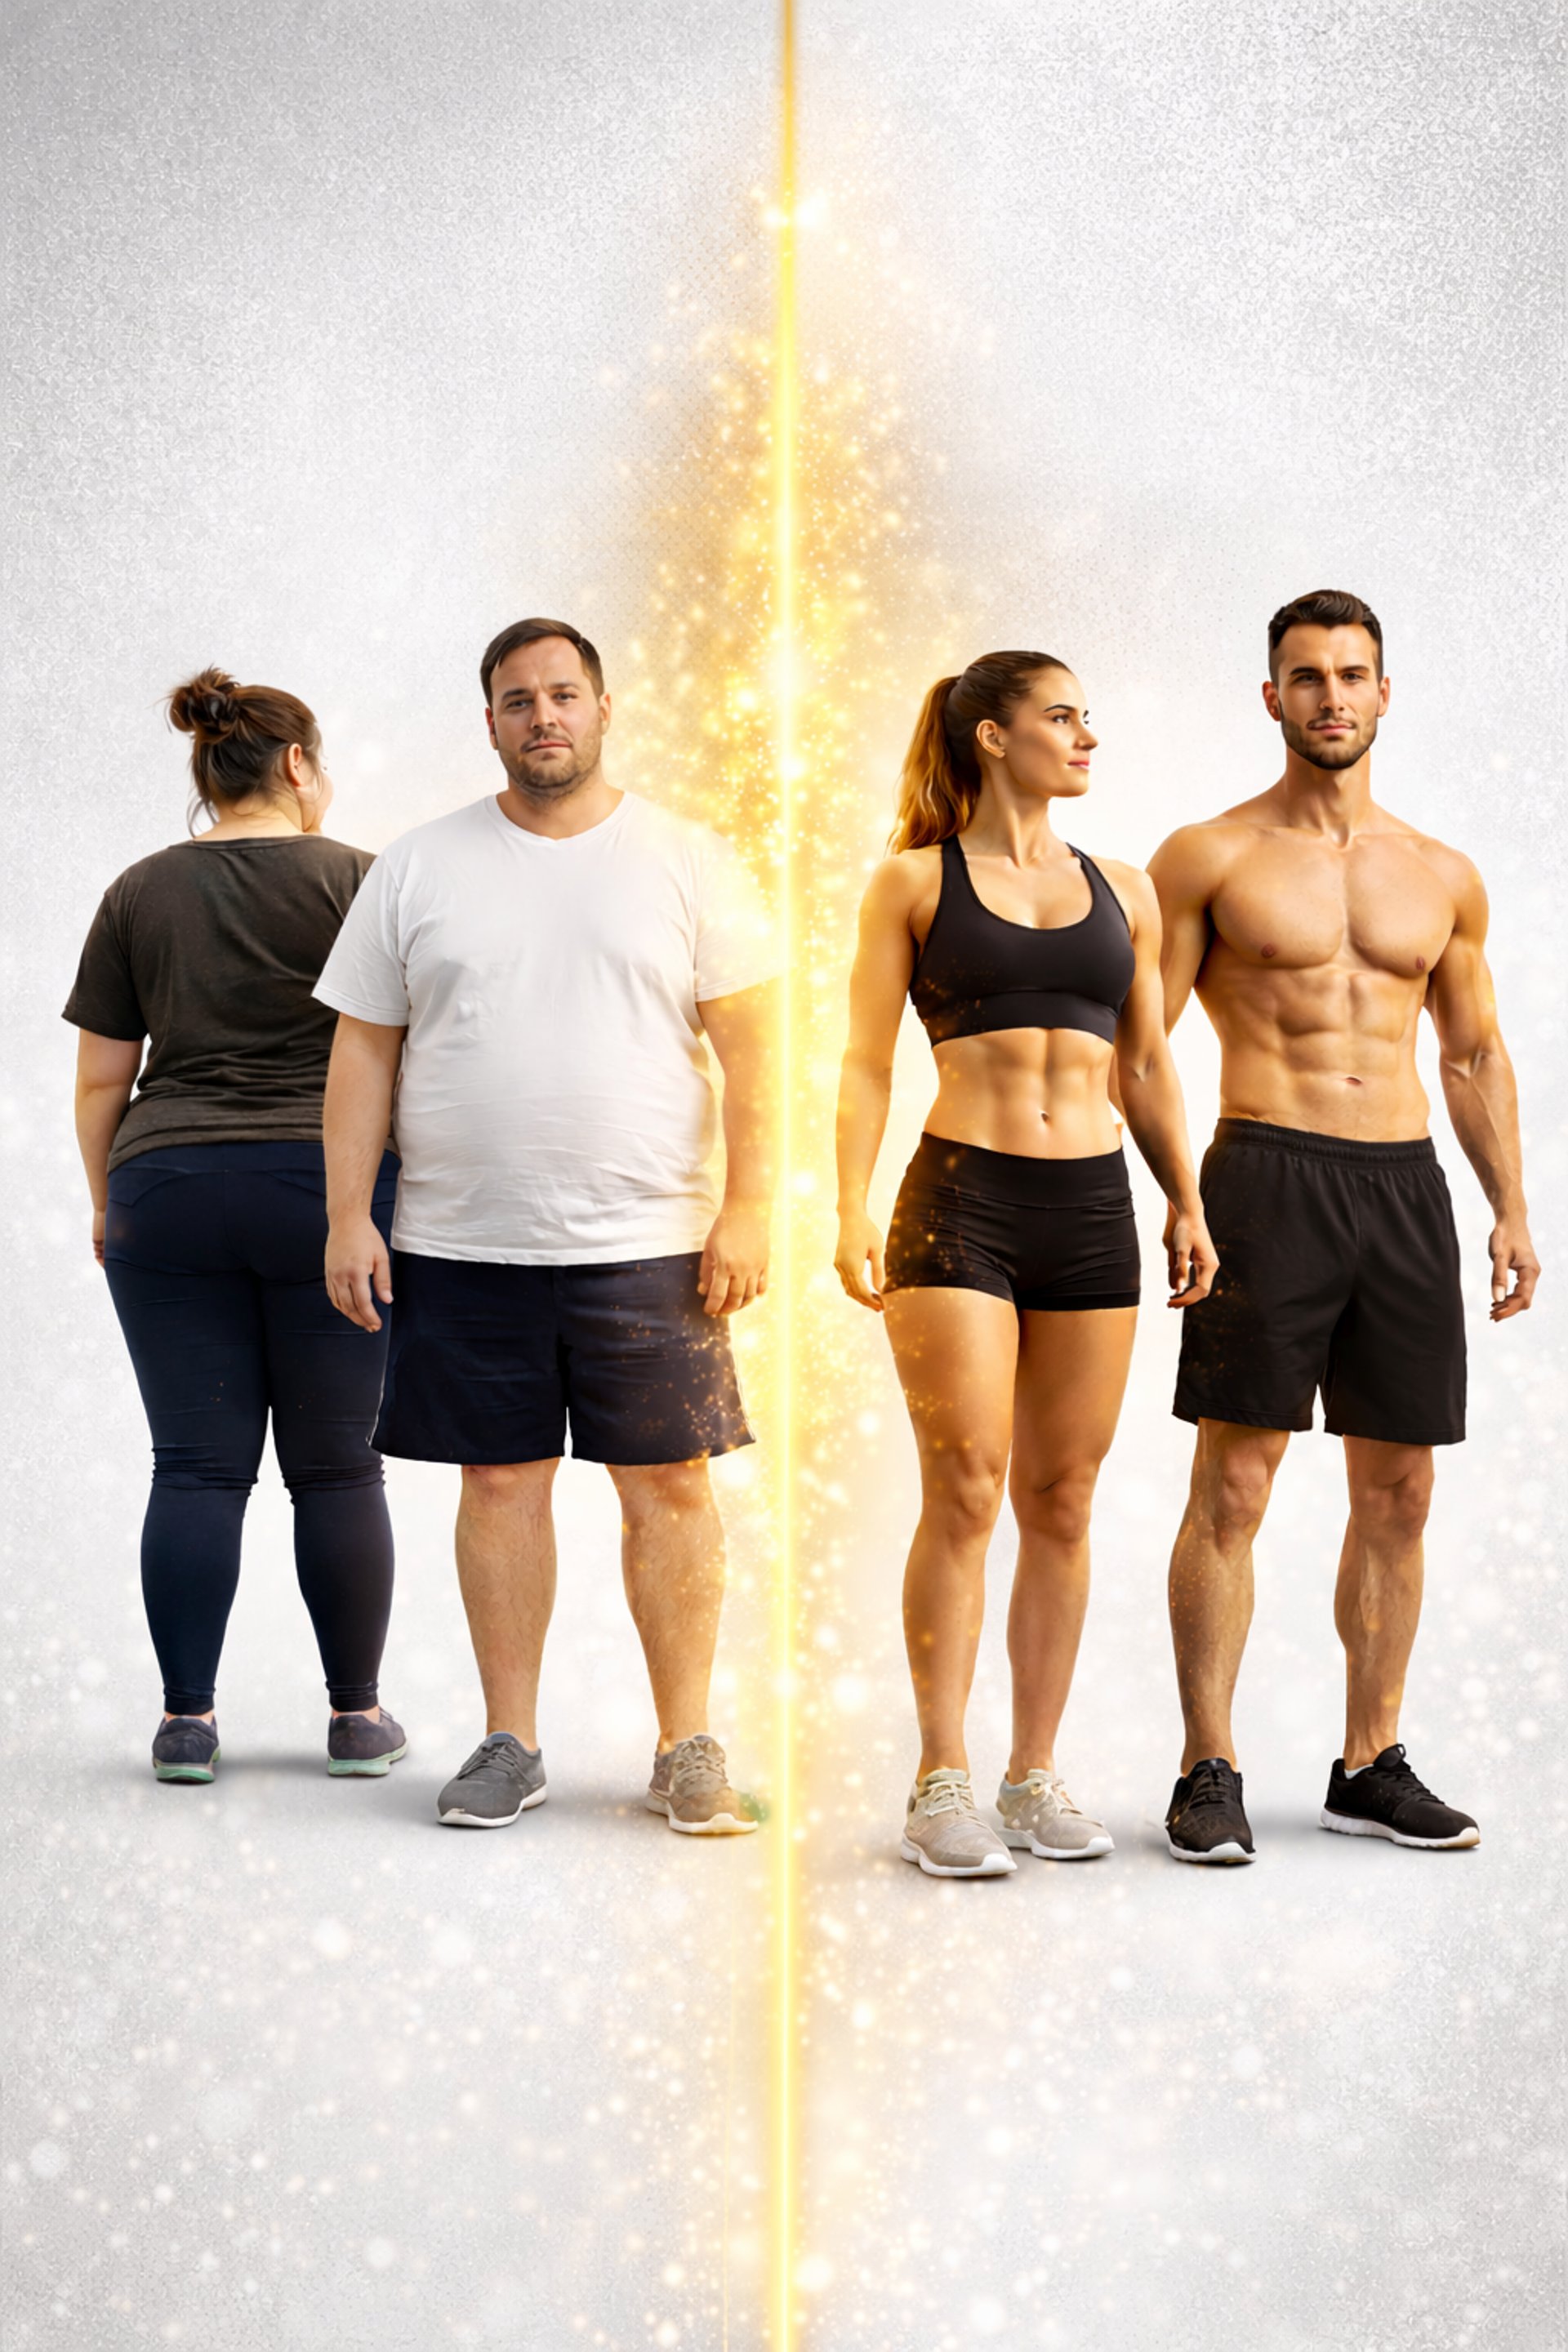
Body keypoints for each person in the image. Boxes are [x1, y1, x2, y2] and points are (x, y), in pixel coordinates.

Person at [315, 617, 776, 1833]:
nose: (543, 718)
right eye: (518, 701)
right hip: (463, 1242)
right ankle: (509, 1740)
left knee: (670, 1485)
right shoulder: (416, 867)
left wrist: (753, 1205)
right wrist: (346, 1218)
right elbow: (363, 1051)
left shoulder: (685, 857)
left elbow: (753, 1046)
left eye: (563, 695)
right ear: (490, 724)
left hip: (654, 1243)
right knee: (500, 1482)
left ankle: (687, 1744)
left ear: (605, 707)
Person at [1149, 589, 1539, 1863]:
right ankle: (1210, 1767)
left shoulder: (1442, 874)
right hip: (1264, 1174)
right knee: (1237, 1484)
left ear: (1384, 693)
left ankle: (1370, 1760)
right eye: (1306, 676)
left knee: (1404, 1491)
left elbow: (1475, 1053)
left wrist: (1513, 1210)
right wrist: (1180, 1192)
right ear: (1272, 697)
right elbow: (1136, 1044)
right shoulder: (1208, 855)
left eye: (1352, 675)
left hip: (1406, 1189)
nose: (1330, 696)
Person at [835, 651, 1218, 1878]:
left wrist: (1186, 1199)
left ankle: (1032, 1773)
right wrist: (847, 1207)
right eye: (1063, 718)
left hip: (1094, 1208)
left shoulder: (1128, 889)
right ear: (993, 738)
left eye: (1089, 718)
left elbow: (1147, 1063)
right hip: (962, 1204)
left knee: (1062, 1499)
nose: (1087, 738)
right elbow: (862, 1064)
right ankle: (939, 1777)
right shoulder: (911, 884)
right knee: (968, 1485)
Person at [65, 669, 405, 1785]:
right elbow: (416, 1056)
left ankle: (187, 1724)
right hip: (329, 1193)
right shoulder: (363, 879)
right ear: (299, 766)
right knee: (340, 1470)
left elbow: (100, 1083)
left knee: (197, 1469)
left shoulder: (138, 892)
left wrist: (111, 1201)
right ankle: (355, 1718)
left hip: (169, 1187)